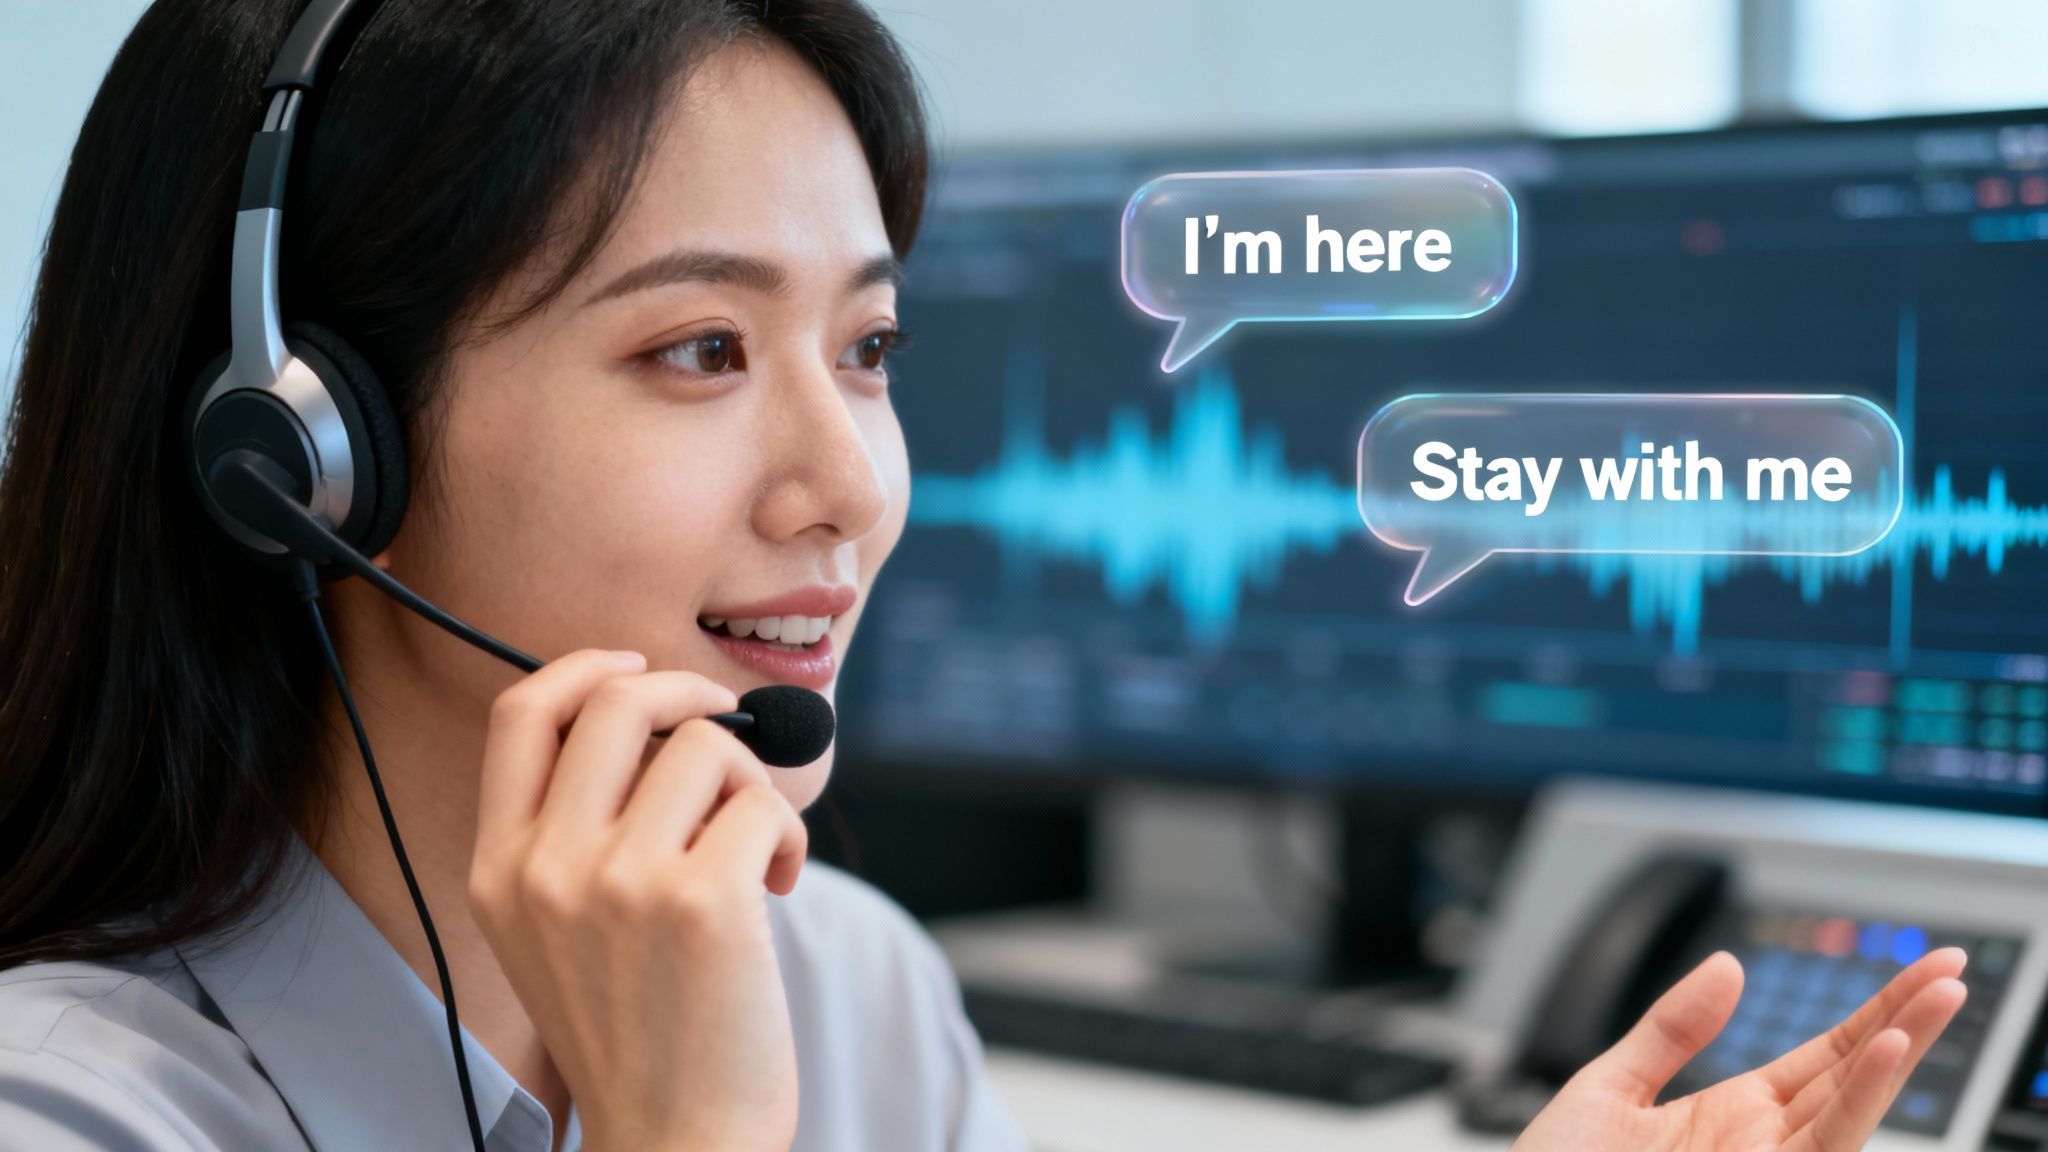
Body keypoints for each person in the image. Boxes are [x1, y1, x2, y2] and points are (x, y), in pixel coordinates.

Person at [0, 1, 1966, 1149]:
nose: (845, 483)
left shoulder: (851, 990)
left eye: (867, 351)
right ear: (305, 450)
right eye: (697, 349)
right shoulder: (78, 1113)